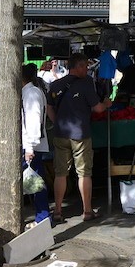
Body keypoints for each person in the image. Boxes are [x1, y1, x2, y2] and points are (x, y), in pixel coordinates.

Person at [48, 53, 112, 224]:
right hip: (80, 135)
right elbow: (98, 108)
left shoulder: (55, 85)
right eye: (84, 66)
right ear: (77, 67)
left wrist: (58, 122)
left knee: (60, 173)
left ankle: (58, 211)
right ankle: (87, 211)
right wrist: (107, 103)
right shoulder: (86, 84)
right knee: (84, 173)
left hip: (60, 134)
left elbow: (48, 107)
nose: (86, 69)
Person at [21, 63, 51, 223]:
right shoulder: (30, 92)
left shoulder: (31, 94)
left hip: (31, 146)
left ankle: (43, 217)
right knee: (34, 182)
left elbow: (33, 120)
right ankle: (42, 217)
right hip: (31, 145)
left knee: (36, 183)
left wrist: (30, 147)